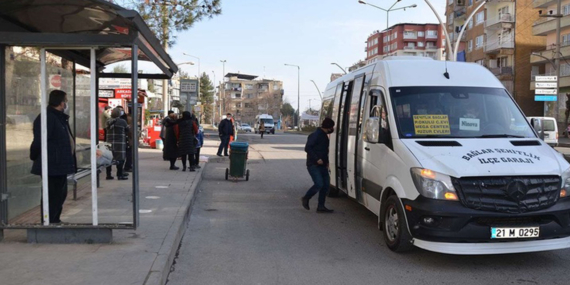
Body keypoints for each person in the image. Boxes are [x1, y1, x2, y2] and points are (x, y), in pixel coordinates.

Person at [30, 90, 76, 224]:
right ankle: (48, 221)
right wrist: (34, 156)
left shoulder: (59, 116)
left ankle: (55, 219)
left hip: (59, 163)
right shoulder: (48, 117)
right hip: (51, 163)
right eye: (65, 100)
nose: (66, 103)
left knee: (60, 194)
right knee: (52, 194)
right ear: (61, 103)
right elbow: (39, 140)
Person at [301, 117, 335, 213]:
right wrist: (317, 159)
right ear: (328, 127)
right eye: (332, 127)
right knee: (319, 184)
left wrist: (326, 162)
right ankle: (306, 198)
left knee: (326, 185)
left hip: (323, 164)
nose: (332, 129)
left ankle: (321, 206)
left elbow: (324, 151)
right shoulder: (315, 135)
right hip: (313, 164)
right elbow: (308, 148)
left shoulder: (324, 135)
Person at [106, 107, 129, 180]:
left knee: (109, 158)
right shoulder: (122, 122)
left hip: (109, 142)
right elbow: (127, 130)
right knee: (120, 159)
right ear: (119, 114)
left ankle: (108, 175)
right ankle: (119, 174)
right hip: (120, 143)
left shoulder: (108, 121)